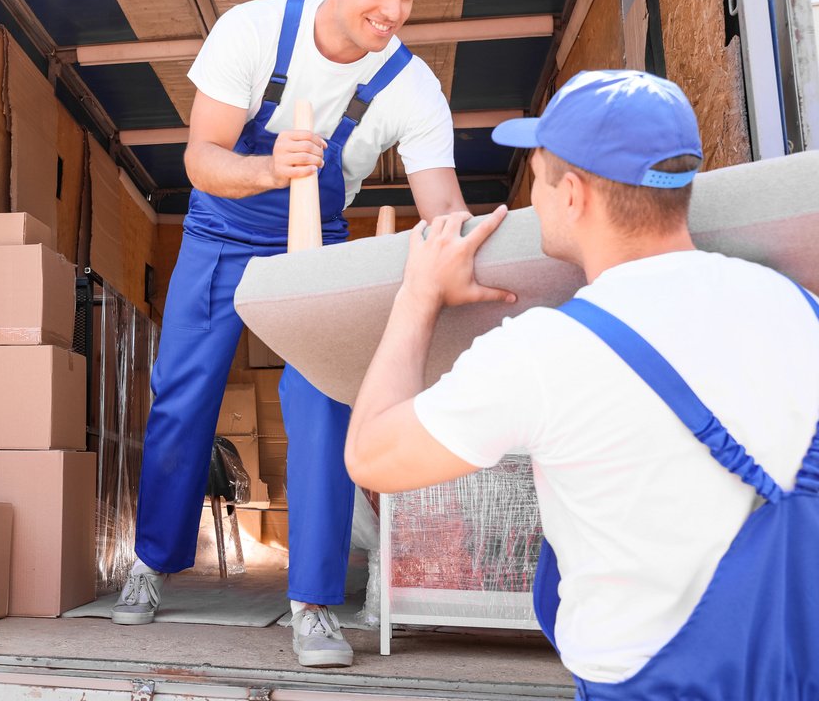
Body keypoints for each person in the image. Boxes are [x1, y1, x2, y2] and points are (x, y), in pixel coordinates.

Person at [344, 69, 819, 697]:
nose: (532, 199)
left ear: (573, 195)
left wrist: (418, 294)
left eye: (536, 179)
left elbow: (371, 455)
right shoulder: (799, 305)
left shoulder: (545, 353)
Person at [112, 0, 469, 669]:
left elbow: (443, 207)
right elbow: (201, 158)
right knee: (183, 393)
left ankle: (313, 603)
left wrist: (467, 247)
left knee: (322, 406)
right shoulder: (252, 32)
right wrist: (270, 168)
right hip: (218, 232)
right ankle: (152, 561)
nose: (392, 12)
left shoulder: (410, 84)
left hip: (316, 245)